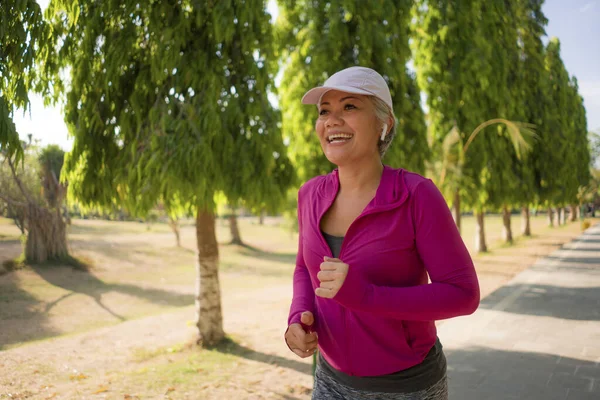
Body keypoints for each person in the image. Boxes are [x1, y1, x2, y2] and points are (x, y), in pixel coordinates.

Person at [284, 66, 480, 400]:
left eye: (349, 107)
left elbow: (463, 294)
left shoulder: (416, 195)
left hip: (406, 387)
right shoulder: (309, 194)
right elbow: (306, 267)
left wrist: (367, 296)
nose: (331, 120)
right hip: (329, 381)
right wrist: (297, 318)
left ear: (383, 123)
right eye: (324, 111)